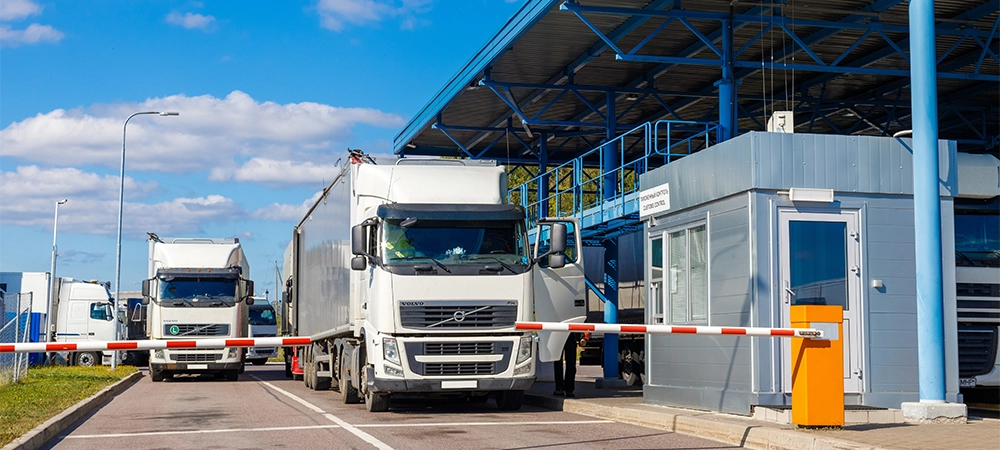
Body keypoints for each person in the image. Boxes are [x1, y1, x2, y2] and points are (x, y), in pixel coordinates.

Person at [553, 332, 579, 397]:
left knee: (558, 362)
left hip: (558, 333)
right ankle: (569, 389)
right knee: (570, 363)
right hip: (570, 333)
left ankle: (559, 388)